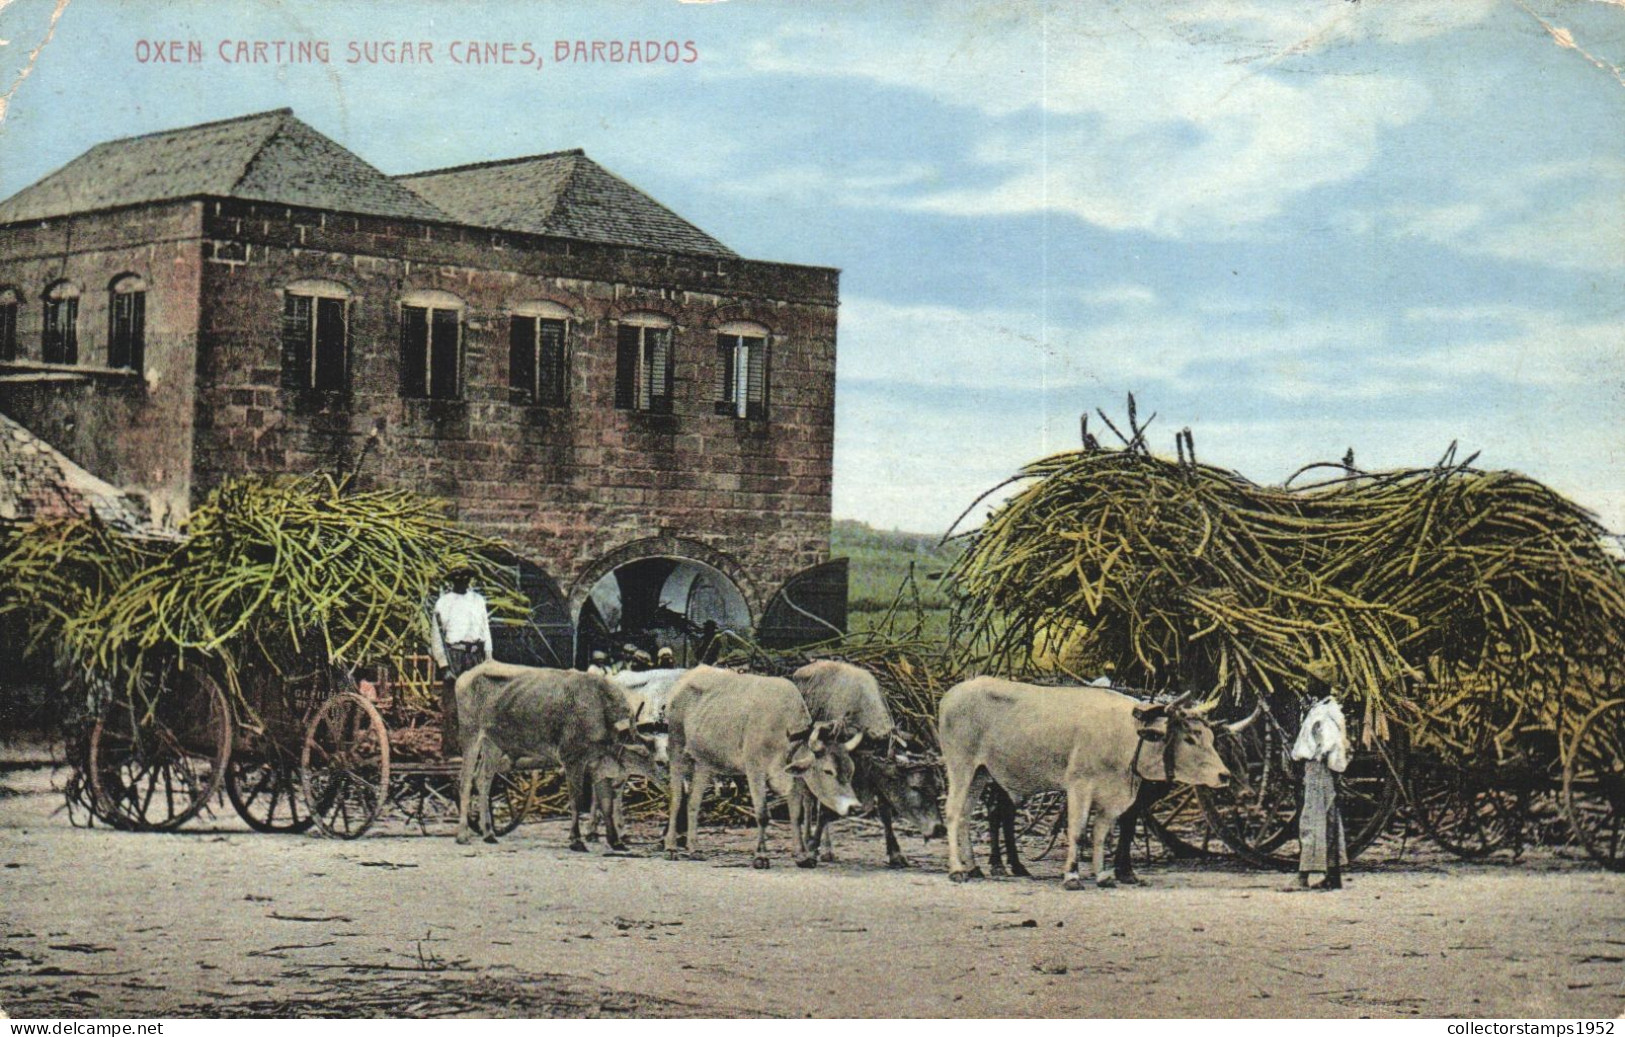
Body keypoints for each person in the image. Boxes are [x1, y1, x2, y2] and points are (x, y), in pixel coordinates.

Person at [429, 566, 492, 758]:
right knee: (453, 705)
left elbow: (485, 628)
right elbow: (437, 635)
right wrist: (444, 666)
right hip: (455, 655)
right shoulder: (444, 603)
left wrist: (488, 656)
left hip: (475, 654)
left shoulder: (478, 601)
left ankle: (474, 749)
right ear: (452, 581)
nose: (463, 582)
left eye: (466, 579)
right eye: (458, 579)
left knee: (477, 704)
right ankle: (451, 750)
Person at [1290, 697, 1350, 890]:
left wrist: (1320, 756)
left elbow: (1330, 743)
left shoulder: (1322, 713)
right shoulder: (1329, 710)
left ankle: (1303, 877)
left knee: (1311, 819)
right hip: (1323, 769)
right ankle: (1333, 877)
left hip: (1317, 768)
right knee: (1330, 820)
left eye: (1312, 681)